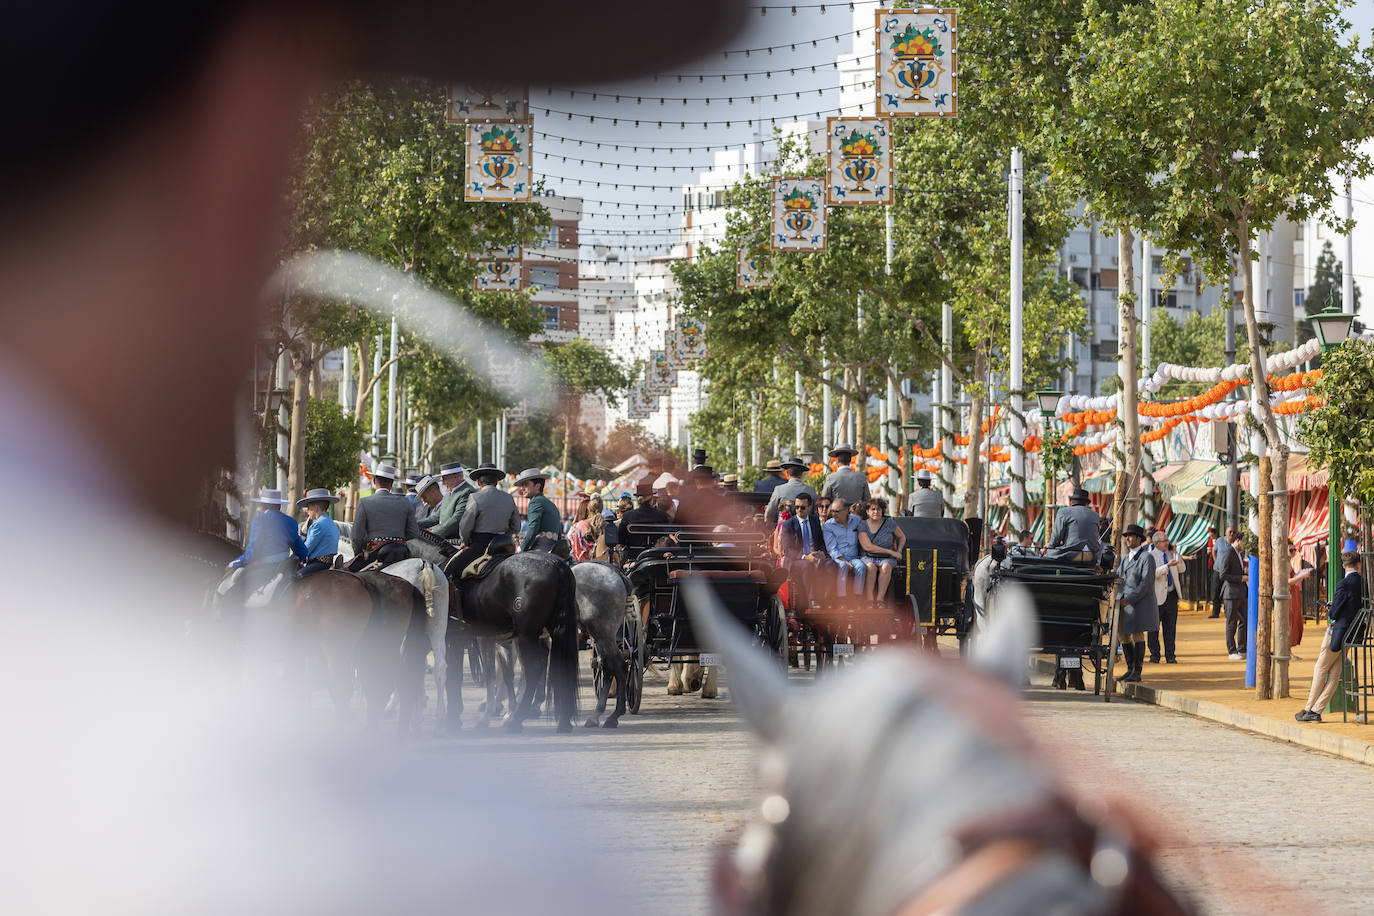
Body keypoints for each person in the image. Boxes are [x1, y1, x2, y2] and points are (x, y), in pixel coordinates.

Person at [1296, 550, 1364, 722]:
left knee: (1320, 668)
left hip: (1337, 632)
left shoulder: (1343, 584)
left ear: (1344, 566)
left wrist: (1331, 607)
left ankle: (1308, 708)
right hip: (1351, 634)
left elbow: (1334, 613)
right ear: (1358, 565)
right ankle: (1316, 711)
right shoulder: (1363, 583)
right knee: (1335, 674)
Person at [227, 488, 308, 592]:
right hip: (284, 567)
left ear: (263, 506)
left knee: (232, 593)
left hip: (264, 568)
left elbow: (253, 552)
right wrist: (290, 561)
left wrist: (235, 563)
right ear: (279, 506)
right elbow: (302, 551)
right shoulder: (291, 521)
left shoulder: (259, 520)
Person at [347, 463, 419, 571]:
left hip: (375, 554)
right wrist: (397, 539)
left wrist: (360, 552)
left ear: (374, 481)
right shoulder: (404, 502)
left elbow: (356, 537)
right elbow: (414, 533)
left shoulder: (364, 502)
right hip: (401, 552)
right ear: (391, 484)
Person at [1117, 524, 1159, 683]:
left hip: (1138, 603)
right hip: (1124, 603)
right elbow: (1120, 578)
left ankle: (1137, 671)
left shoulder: (1146, 557)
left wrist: (1130, 598)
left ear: (1138, 539)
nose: (1127, 539)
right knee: (1123, 634)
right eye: (1126, 536)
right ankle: (1130, 668)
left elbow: (1146, 582)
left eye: (1131, 536)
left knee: (1137, 634)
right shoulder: (1126, 558)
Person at [779, 492, 831, 608]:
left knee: (831, 564)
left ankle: (830, 601)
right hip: (797, 560)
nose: (799, 510)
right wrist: (805, 556)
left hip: (815, 556)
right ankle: (812, 601)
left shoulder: (815, 520)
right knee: (808, 565)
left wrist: (823, 553)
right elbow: (788, 550)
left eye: (802, 507)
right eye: (796, 507)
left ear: (809, 507)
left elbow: (820, 541)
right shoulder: (788, 525)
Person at [1146, 531, 1190, 664]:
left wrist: (1177, 554)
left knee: (1170, 627)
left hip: (1171, 596)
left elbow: (1182, 569)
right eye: (1164, 541)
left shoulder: (1171, 554)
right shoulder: (1150, 556)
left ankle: (1170, 655)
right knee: (1154, 628)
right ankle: (1155, 655)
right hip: (1157, 597)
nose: (1167, 543)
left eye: (1167, 540)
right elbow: (1151, 574)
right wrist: (1167, 566)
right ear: (1156, 543)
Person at [858, 497, 906, 605]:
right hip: (868, 556)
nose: (876, 512)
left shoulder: (889, 522)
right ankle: (870, 600)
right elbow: (868, 547)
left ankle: (880, 600)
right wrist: (891, 552)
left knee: (886, 567)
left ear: (882, 511)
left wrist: (899, 550)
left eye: (879, 509)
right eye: (873, 509)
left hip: (886, 559)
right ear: (868, 511)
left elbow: (902, 537)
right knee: (871, 567)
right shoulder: (863, 525)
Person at [419, 462, 473, 545]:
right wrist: (415, 524)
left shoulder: (467, 491)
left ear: (456, 476)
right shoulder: (449, 494)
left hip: (457, 541)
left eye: (445, 479)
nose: (443, 483)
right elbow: (436, 517)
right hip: (447, 539)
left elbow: (457, 519)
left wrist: (435, 531)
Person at [618, 483, 673, 564]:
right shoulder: (663, 516)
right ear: (651, 499)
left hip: (633, 558)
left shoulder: (628, 516)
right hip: (658, 557)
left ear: (638, 499)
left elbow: (621, 540)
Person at [823, 498, 867, 599]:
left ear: (846, 510)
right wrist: (843, 560)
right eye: (832, 511)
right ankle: (841, 598)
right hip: (838, 557)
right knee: (843, 566)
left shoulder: (856, 520)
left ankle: (857, 597)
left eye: (837, 511)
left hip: (854, 556)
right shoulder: (828, 526)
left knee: (861, 566)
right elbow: (831, 548)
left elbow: (864, 537)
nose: (834, 514)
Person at [294, 488, 342, 578]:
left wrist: (293, 557)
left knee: (293, 579)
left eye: (308, 508)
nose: (307, 511)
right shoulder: (331, 522)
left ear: (315, 507)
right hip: (327, 563)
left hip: (318, 564)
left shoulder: (318, 525)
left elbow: (306, 549)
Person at [1217, 527, 1248, 659]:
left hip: (1241, 593)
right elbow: (1223, 574)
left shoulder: (1238, 554)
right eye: (1244, 543)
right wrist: (1241, 578)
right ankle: (1231, 651)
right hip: (1231, 594)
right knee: (1231, 623)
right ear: (1238, 541)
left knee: (1243, 621)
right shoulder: (1229, 553)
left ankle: (1241, 648)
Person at [1047, 487, 1101, 561]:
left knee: (1048, 553)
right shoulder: (1095, 515)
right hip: (1092, 555)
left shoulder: (1063, 512)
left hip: (1072, 554)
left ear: (1071, 502)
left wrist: (1048, 548)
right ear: (1087, 503)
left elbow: (1057, 536)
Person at [514, 468, 562, 552]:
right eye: (522, 485)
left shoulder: (535, 502)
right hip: (554, 549)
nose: (522, 488)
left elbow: (533, 528)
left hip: (540, 548)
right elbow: (559, 532)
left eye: (526, 484)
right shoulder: (551, 504)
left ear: (537, 486)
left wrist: (521, 548)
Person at [764, 457, 818, 527]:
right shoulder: (811, 490)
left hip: (784, 528)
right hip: (805, 529)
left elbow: (770, 512)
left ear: (787, 473)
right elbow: (816, 511)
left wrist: (769, 524)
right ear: (801, 473)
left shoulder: (779, 489)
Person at [1288, 541, 1314, 658]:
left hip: (1293, 593)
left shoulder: (1288, 562)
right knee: (1290, 621)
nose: (1293, 552)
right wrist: (1302, 576)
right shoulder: (1284, 563)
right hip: (1289, 594)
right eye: (1291, 550)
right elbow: (1286, 581)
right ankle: (1287, 651)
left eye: (1294, 550)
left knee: (1294, 620)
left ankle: (1288, 650)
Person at [569, 495, 604, 562]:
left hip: (581, 565)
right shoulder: (606, 525)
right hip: (601, 565)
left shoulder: (578, 526)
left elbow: (574, 547)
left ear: (588, 509)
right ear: (602, 509)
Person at [1208, 526, 1227, 618]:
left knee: (1227, 591)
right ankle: (1216, 612)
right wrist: (1215, 561)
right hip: (1218, 569)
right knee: (1216, 591)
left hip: (1228, 571)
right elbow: (1213, 550)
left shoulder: (1233, 543)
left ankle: (1228, 611)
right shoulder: (1220, 541)